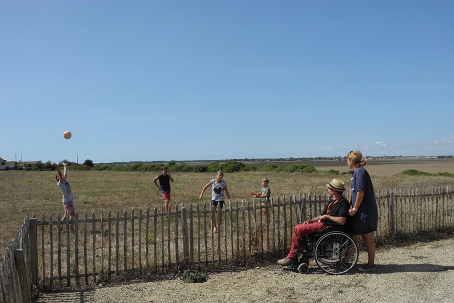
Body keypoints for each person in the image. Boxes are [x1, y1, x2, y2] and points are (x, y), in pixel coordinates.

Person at [277, 178, 349, 266]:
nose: (328, 190)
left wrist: (328, 216)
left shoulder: (343, 203)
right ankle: (298, 253)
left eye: (329, 189)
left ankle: (291, 257)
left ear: (333, 190)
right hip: (324, 224)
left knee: (300, 229)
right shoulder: (331, 202)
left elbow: (342, 221)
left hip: (329, 227)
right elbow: (321, 216)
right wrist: (310, 220)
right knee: (297, 227)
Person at [346, 150, 378, 272]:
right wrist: (349, 203)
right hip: (360, 209)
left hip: (364, 210)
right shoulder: (356, 173)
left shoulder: (359, 172)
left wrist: (354, 208)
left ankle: (370, 264)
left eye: (347, 159)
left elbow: (360, 192)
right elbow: (352, 190)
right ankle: (346, 261)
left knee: (366, 236)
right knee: (354, 235)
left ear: (351, 160)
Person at [52, 162, 76, 232]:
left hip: (69, 200)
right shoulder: (60, 183)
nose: (61, 175)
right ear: (58, 178)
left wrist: (65, 166)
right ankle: (71, 228)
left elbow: (65, 173)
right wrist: (56, 167)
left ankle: (60, 228)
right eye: (59, 176)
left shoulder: (64, 181)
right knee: (72, 214)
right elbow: (60, 173)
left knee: (66, 216)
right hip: (67, 201)